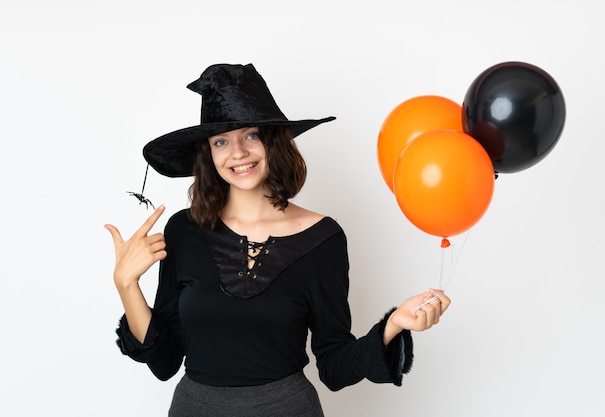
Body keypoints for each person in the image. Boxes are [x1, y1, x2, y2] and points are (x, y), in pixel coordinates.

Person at [105, 63, 451, 417]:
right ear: (209, 154)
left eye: (250, 135)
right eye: (221, 141)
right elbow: (164, 362)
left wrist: (392, 326)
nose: (237, 152)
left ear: (273, 141)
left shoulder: (324, 239)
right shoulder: (184, 230)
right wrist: (126, 284)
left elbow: (333, 365)